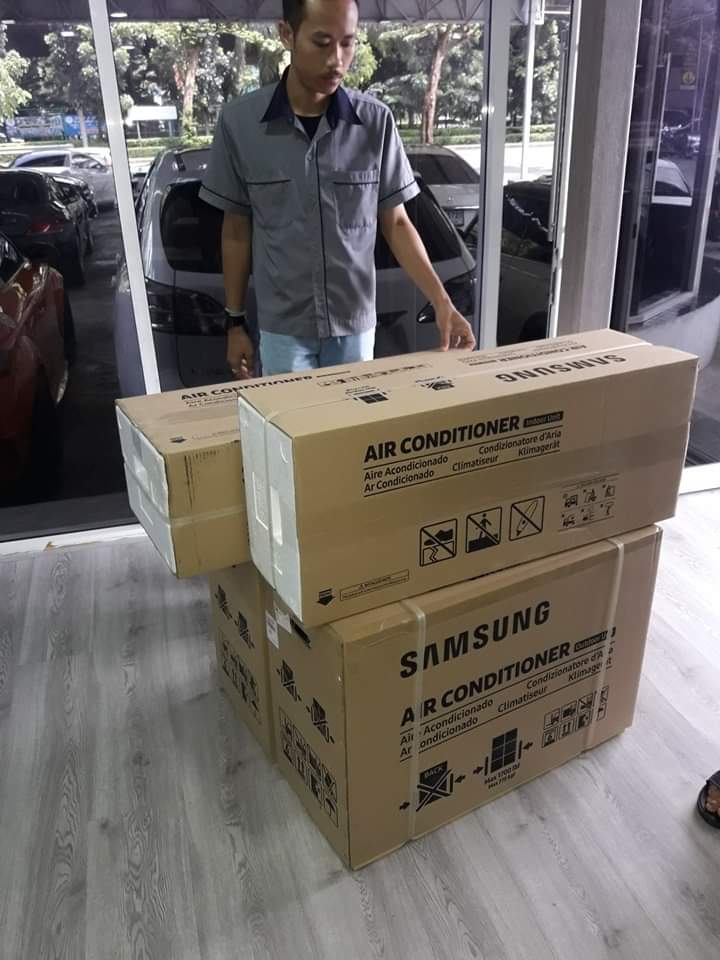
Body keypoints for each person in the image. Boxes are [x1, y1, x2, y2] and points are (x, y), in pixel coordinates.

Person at [199, 0, 476, 378]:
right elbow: (235, 231)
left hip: (354, 327)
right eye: (322, 42)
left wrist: (442, 302)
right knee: (291, 418)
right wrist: (235, 322)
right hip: (284, 329)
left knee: (353, 416)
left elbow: (396, 223)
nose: (337, 60)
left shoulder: (375, 123)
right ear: (286, 34)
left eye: (348, 43)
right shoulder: (240, 124)